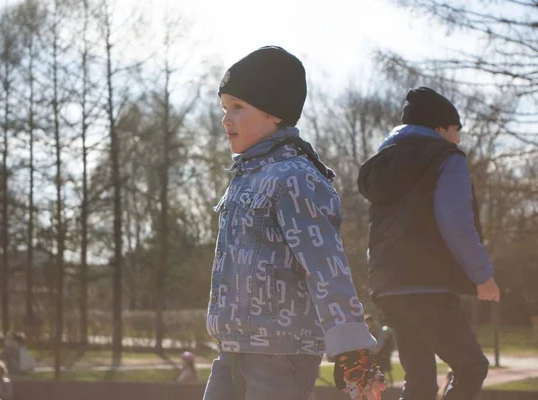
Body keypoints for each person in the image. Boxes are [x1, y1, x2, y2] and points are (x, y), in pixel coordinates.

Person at [203, 46, 385, 400]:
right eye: (224, 107)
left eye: (238, 107)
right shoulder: (245, 178)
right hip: (234, 347)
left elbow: (326, 266)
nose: (226, 119)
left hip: (281, 353)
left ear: (274, 114)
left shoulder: (296, 179)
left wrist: (351, 350)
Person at [358, 87, 500, 399]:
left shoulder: (383, 166)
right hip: (429, 284)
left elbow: (377, 234)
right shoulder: (445, 158)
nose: (458, 139)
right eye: (455, 130)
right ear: (438, 129)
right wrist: (482, 275)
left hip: (388, 287)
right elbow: (455, 221)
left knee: (419, 378)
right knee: (471, 367)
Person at [364, 315, 395, 386]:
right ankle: (380, 383)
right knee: (375, 368)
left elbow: (381, 343)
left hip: (381, 352)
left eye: (367, 322)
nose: (366, 324)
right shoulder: (368, 329)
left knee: (383, 368)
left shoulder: (378, 329)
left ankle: (387, 383)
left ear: (370, 321)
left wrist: (375, 351)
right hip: (375, 352)